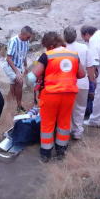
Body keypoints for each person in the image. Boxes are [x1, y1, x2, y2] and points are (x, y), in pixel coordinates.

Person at [27, 32, 86, 162]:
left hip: (51, 94)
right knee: (64, 122)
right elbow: (82, 74)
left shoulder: (47, 56)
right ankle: (61, 151)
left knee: (47, 124)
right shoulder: (74, 55)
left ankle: (46, 154)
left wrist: (28, 75)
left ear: (48, 45)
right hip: (69, 94)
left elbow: (32, 77)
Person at [63, 26, 95, 140]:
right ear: (76, 36)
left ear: (63, 36)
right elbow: (90, 67)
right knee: (80, 108)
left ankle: (66, 130)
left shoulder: (60, 48)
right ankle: (77, 131)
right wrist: (92, 83)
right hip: (82, 82)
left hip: (65, 83)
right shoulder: (84, 48)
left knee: (66, 108)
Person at [4, 26, 33, 114]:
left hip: (19, 67)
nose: (29, 39)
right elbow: (8, 58)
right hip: (10, 67)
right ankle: (19, 106)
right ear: (22, 34)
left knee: (13, 88)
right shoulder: (13, 41)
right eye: (27, 37)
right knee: (20, 82)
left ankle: (7, 106)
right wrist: (17, 72)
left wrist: (26, 66)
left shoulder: (26, 41)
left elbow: (24, 54)